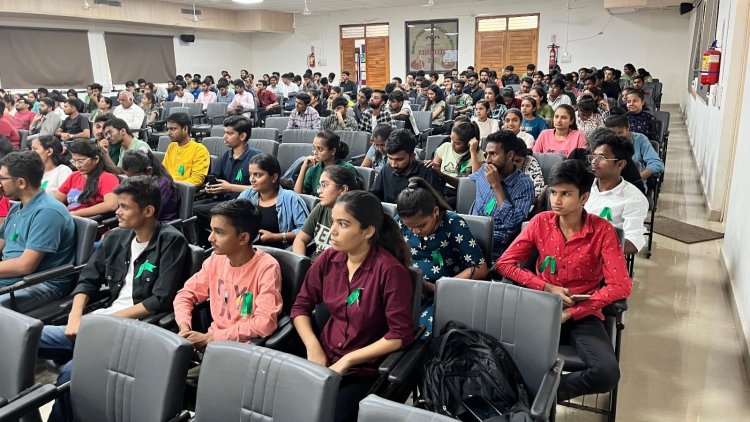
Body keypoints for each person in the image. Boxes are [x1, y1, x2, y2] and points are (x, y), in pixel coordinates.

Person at [38, 176, 189, 422]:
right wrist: (76, 317)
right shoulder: (116, 237)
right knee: (27, 335)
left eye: (124, 207)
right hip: (94, 324)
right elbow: (88, 279)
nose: (117, 212)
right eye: (117, 205)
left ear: (148, 210)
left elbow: (158, 300)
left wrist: (101, 324)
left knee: (70, 374)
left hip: (132, 329)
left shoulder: (171, 241)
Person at [496, 159, 632, 402]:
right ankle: (522, 400)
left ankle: (538, 397)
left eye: (566, 194)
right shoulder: (541, 222)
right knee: (497, 355)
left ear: (584, 198)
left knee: (606, 373)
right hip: (541, 305)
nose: (556, 200)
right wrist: (546, 286)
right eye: (553, 193)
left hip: (583, 312)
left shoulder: (602, 231)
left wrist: (572, 312)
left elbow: (621, 285)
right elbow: (505, 264)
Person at [291, 191, 414, 421]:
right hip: (323, 355)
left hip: (362, 369)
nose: (333, 231)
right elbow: (301, 307)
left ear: (368, 231)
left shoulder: (390, 271)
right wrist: (313, 347)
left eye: (343, 224)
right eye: (333, 221)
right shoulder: (328, 259)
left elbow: (400, 334)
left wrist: (348, 360)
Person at [174, 199, 282, 399]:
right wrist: (185, 328)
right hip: (209, 346)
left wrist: (212, 338)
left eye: (220, 232)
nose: (211, 238)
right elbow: (185, 294)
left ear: (243, 238)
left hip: (241, 352)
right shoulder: (217, 259)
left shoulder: (266, 267)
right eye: (212, 230)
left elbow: (265, 323)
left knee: (175, 381)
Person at [396, 177, 487, 336]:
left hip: (445, 292)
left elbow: (479, 268)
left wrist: (438, 287)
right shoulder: (401, 222)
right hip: (408, 288)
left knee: (424, 332)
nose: (415, 232)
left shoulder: (453, 223)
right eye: (410, 227)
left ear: (435, 212)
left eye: (421, 225)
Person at [0, 151, 76, 312]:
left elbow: (25, 266)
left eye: (2, 179)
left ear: (21, 182)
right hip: (11, 278)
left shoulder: (48, 212)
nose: (0, 183)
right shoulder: (18, 207)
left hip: (40, 283)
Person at [194, 116, 261, 244]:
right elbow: (217, 178)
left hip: (242, 205)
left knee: (194, 212)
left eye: (229, 133)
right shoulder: (226, 155)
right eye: (225, 133)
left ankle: (207, 245)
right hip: (223, 199)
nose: (225, 136)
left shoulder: (256, 158)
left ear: (242, 136)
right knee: (189, 208)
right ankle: (204, 244)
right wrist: (211, 187)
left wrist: (230, 187)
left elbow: (261, 189)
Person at [469, 130, 535, 259]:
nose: (488, 160)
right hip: (469, 232)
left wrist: (496, 186)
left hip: (495, 244)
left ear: (510, 155)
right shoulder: (484, 169)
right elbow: (465, 182)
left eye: (493, 154)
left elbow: (512, 223)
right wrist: (439, 174)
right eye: (486, 154)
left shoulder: (524, 185)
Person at [584, 132, 649, 254]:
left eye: (602, 157)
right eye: (594, 156)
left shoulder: (633, 199)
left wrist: (594, 248)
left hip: (600, 256)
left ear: (620, 164)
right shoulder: (583, 186)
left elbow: (633, 242)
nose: (594, 162)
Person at [238, 154, 309, 249]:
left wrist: (276, 237)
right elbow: (233, 218)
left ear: (274, 177)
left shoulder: (290, 198)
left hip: (280, 254)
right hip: (249, 251)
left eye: (257, 175)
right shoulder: (247, 195)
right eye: (250, 174)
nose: (252, 179)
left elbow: (305, 231)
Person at [293, 165, 359, 260]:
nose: (318, 191)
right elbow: (300, 239)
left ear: (343, 189)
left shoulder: (356, 216)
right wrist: (302, 265)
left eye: (324, 185)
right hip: (313, 267)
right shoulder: (321, 207)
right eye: (319, 186)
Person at [370, 129, 444, 203]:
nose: (393, 164)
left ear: (412, 156)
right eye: (390, 158)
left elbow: (436, 204)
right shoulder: (386, 169)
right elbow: (374, 196)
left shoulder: (427, 172)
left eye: (399, 159)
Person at [55, 139, 119, 217]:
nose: (78, 165)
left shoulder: (107, 178)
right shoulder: (74, 176)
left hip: (88, 222)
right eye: (74, 161)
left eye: (81, 161)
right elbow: (56, 201)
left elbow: (111, 205)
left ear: (96, 159)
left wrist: (74, 214)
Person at [121, 150, 180, 223]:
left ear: (149, 171)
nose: (132, 181)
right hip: (141, 222)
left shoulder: (162, 185)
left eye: (134, 177)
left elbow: (153, 214)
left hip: (161, 226)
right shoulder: (143, 183)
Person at [295, 130, 358, 196]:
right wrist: (303, 168)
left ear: (333, 151)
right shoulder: (314, 168)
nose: (315, 153)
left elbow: (353, 198)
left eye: (320, 149)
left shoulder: (347, 169)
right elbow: (297, 195)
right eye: (314, 148)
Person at [604, 113, 664, 180]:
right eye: (612, 134)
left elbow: (657, 163)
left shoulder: (640, 139)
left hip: (633, 181)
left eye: (620, 133)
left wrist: (638, 178)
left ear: (628, 128)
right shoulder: (606, 140)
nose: (616, 137)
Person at [162, 113, 210, 187]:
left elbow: (196, 180)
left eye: (173, 129)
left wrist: (172, 186)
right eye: (168, 129)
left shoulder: (199, 150)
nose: (169, 133)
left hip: (182, 192)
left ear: (185, 129)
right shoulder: (172, 146)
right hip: (167, 188)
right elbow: (163, 172)